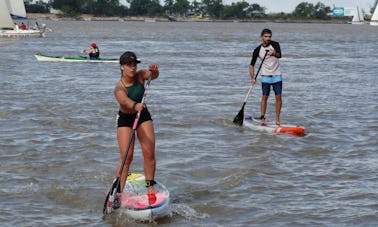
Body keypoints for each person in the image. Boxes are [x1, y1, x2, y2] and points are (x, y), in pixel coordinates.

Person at [114, 51, 159, 194]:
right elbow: (124, 101)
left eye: (134, 64)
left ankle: (150, 185)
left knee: (149, 151)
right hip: (126, 118)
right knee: (127, 157)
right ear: (122, 67)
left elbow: (153, 76)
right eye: (129, 65)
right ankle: (118, 189)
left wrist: (154, 71)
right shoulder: (119, 88)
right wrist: (135, 105)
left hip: (142, 116)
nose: (133, 67)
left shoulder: (140, 75)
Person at [249, 28, 282, 126]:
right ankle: (262, 118)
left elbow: (280, 55)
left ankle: (277, 119)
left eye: (269, 37)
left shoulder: (275, 44)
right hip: (265, 76)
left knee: (279, 97)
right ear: (262, 37)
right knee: (264, 97)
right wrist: (252, 77)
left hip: (277, 75)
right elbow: (251, 65)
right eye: (266, 36)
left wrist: (274, 54)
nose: (268, 38)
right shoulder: (257, 50)